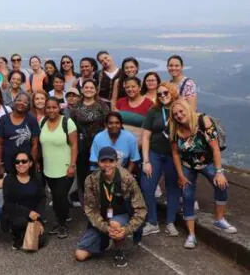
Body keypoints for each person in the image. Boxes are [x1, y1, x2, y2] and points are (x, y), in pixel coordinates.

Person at [169, 99, 237, 249]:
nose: (179, 116)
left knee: (222, 185)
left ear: (188, 109)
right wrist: (181, 175)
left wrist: (219, 172)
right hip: (187, 165)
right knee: (187, 195)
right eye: (175, 114)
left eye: (181, 111)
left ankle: (219, 220)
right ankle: (191, 235)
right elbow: (175, 153)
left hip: (207, 162)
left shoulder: (203, 121)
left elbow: (215, 147)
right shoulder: (174, 128)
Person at [74, 147, 147, 268]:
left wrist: (126, 231)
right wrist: (105, 229)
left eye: (111, 161)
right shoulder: (91, 180)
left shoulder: (128, 179)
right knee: (80, 255)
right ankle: (105, 241)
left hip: (121, 217)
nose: (107, 165)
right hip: (101, 219)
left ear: (117, 162)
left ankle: (119, 250)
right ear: (98, 162)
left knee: (114, 223)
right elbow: (90, 210)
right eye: (103, 161)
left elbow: (141, 210)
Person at [140, 82, 180, 237]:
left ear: (172, 92)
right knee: (147, 186)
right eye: (159, 94)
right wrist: (146, 161)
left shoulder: (179, 109)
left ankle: (170, 222)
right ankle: (152, 222)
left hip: (174, 155)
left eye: (166, 93)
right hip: (155, 153)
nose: (163, 96)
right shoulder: (154, 111)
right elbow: (146, 136)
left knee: (173, 188)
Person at [40, 97, 78, 239]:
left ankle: (62, 225)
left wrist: (72, 165)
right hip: (49, 169)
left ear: (59, 108)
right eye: (48, 107)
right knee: (56, 197)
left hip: (65, 168)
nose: (51, 110)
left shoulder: (67, 122)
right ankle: (61, 218)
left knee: (59, 197)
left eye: (54, 107)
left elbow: (74, 145)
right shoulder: (42, 122)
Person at [69, 79, 109, 198]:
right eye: (86, 87)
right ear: (82, 90)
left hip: (98, 143)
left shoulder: (102, 105)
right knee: (83, 171)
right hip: (81, 143)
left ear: (96, 90)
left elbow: (108, 124)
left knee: (98, 170)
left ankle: (100, 196)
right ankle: (86, 197)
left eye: (91, 88)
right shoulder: (76, 106)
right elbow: (72, 126)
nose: (89, 90)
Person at [3, 152, 47, 250]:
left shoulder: (37, 178)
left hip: (34, 215)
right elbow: (8, 204)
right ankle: (17, 236)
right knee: (20, 222)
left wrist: (39, 220)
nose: (20, 164)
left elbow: (42, 199)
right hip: (16, 213)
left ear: (30, 163)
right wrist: (28, 212)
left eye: (24, 161)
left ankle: (25, 235)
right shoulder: (9, 180)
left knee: (40, 242)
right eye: (17, 162)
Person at [0, 93, 40, 177]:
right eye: (19, 100)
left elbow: (35, 145)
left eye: (25, 102)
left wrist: (32, 163)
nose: (21, 103)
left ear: (28, 105)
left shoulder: (32, 120)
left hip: (25, 165)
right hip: (8, 164)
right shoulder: (4, 119)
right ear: (14, 102)